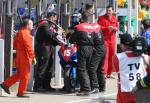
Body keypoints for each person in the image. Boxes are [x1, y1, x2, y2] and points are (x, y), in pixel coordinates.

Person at [69, 12, 105, 96]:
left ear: (81, 19)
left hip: (82, 48)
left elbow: (71, 39)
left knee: (82, 69)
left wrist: (72, 36)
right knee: (89, 68)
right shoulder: (92, 27)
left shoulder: (79, 27)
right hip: (91, 49)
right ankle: (92, 87)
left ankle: (86, 89)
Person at [0, 19, 36, 98]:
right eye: (31, 25)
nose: (32, 26)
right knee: (25, 75)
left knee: (19, 74)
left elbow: (15, 44)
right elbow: (28, 47)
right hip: (24, 57)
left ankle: (5, 84)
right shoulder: (26, 33)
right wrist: (33, 57)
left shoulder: (19, 32)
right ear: (27, 25)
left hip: (19, 56)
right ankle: (21, 92)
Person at [113, 34, 148, 103]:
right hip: (141, 89)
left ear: (122, 45)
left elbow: (116, 70)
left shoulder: (117, 57)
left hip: (125, 90)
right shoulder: (144, 57)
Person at [33, 11, 63, 92]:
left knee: (49, 67)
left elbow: (52, 38)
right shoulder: (44, 23)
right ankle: (37, 86)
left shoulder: (51, 25)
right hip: (43, 47)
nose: (55, 21)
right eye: (55, 19)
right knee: (42, 66)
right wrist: (58, 33)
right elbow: (48, 35)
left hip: (49, 47)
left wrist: (59, 41)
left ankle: (46, 85)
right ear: (52, 16)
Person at [97, 5, 119, 78]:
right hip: (105, 39)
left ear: (112, 11)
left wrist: (115, 29)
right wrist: (107, 28)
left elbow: (117, 27)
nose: (108, 12)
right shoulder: (101, 18)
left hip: (112, 39)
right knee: (105, 56)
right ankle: (104, 73)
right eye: (107, 10)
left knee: (112, 56)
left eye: (109, 10)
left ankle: (109, 73)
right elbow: (99, 28)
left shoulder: (114, 18)